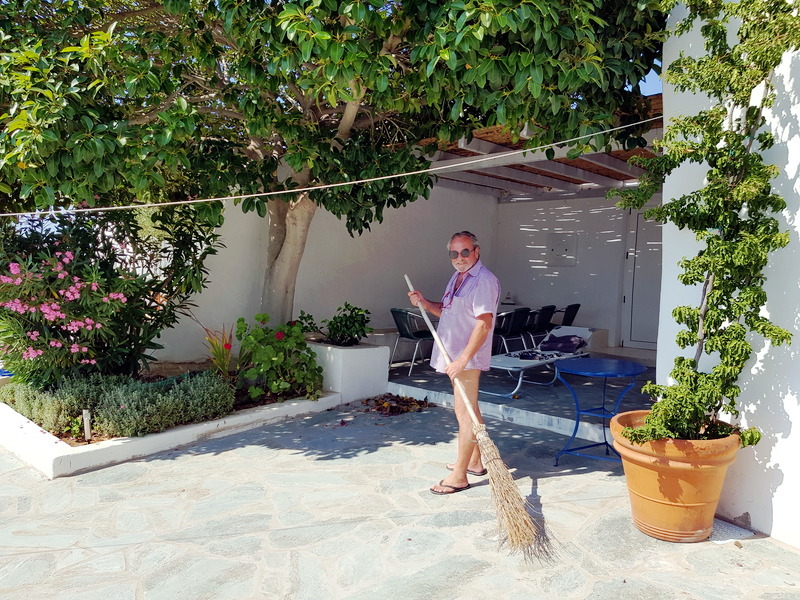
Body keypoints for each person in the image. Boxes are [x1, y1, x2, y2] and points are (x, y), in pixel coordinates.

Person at [408, 231, 500, 495]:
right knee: (470, 409)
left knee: (464, 413)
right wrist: (424, 302)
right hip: (454, 356)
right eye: (454, 253)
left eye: (465, 252)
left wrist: (463, 359)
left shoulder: (484, 281)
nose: (459, 258)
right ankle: (475, 462)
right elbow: (447, 311)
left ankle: (459, 476)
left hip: (466, 357)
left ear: (476, 251)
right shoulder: (457, 277)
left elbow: (484, 324)